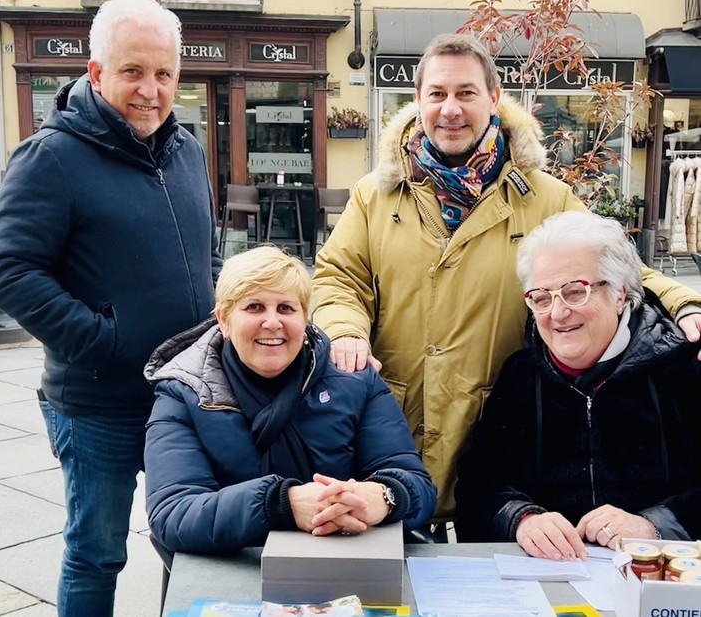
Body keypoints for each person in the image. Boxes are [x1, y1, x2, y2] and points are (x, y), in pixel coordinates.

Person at [312, 33, 701, 522]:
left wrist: (686, 305)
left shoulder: (545, 197)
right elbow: (337, 276)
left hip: (499, 426)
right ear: (418, 101)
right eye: (437, 94)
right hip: (395, 426)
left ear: (493, 99)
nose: (450, 109)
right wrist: (345, 326)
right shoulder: (376, 195)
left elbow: (620, 268)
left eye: (466, 93)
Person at [0, 0, 222, 615]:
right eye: (133, 71)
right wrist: (103, 339)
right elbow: (11, 269)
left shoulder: (186, 148)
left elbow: (203, 248)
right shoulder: (51, 157)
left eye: (164, 74)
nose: (151, 90)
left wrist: (211, 313)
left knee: (194, 543)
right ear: (96, 73)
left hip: (183, 395)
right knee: (97, 553)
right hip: (99, 404)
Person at [144, 245, 436, 555]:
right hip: (236, 566)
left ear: (306, 318)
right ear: (224, 320)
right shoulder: (184, 391)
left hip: (348, 561)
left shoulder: (355, 379)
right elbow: (174, 513)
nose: (272, 322)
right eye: (254, 307)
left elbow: (417, 485)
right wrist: (281, 504)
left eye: (286, 308)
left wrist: (382, 496)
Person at [454, 211, 701, 559]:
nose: (557, 313)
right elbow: (478, 486)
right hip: (547, 585)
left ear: (619, 294)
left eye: (575, 292)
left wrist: (654, 526)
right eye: (541, 298)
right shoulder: (521, 376)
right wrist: (521, 519)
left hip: (661, 580)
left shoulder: (683, 367)